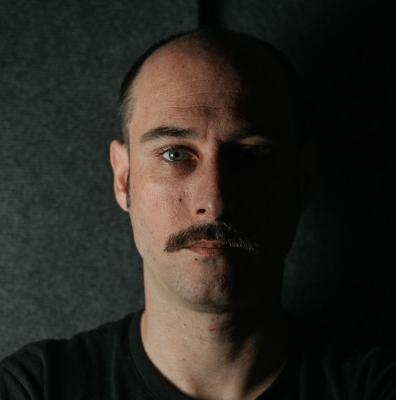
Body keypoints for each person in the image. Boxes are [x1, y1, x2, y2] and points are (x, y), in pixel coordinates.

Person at [0, 28, 394, 400]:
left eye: (252, 155)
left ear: (303, 178)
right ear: (123, 177)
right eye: (174, 154)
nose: (214, 201)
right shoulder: (35, 389)